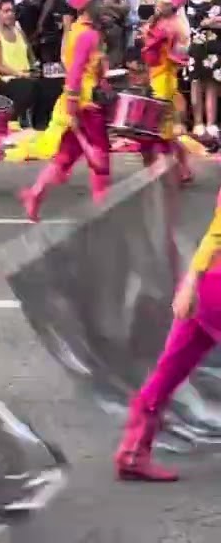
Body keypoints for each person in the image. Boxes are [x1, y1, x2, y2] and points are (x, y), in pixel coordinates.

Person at [114, 185, 221, 483]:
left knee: (168, 370)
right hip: (214, 288)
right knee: (169, 370)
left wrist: (190, 283)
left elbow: (215, 233)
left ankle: (132, 453)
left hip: (206, 286)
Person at [19, 0, 112, 221]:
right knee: (100, 157)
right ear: (86, 6)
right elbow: (75, 73)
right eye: (96, 0)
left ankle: (35, 193)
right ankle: (102, 209)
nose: (100, 3)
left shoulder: (84, 32)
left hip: (82, 100)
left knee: (66, 156)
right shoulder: (85, 35)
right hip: (85, 103)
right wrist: (73, 104)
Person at [140, 0, 194, 183]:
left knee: (158, 130)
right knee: (163, 131)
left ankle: (168, 169)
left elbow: (181, 55)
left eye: (163, 3)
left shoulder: (176, 26)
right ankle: (181, 169)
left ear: (172, 6)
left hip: (164, 81)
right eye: (158, 2)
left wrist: (164, 45)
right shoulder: (159, 23)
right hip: (156, 77)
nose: (158, 5)